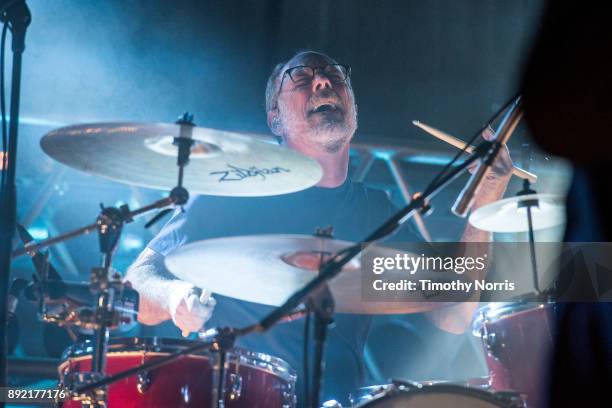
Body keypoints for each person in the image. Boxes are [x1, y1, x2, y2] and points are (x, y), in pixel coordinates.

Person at [125, 50, 513, 404]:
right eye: (301, 78)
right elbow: (138, 281)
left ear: (354, 111)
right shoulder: (232, 193)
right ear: (275, 118)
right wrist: (175, 297)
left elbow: (453, 313)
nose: (323, 82)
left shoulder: (375, 210)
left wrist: (485, 201)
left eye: (334, 77)